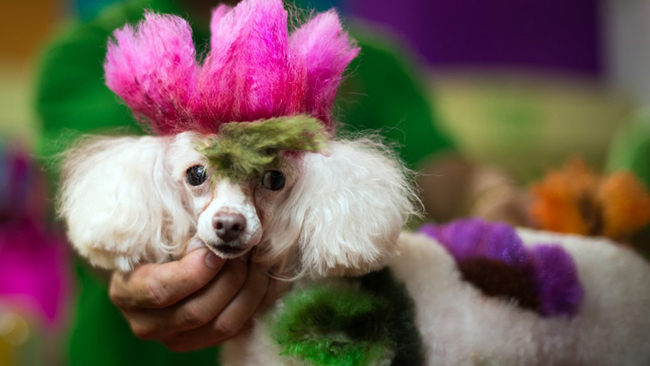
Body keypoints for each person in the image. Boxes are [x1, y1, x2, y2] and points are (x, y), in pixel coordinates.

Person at [35, 0, 456, 364]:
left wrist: (489, 192)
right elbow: (83, 188)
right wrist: (124, 270)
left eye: (273, 179)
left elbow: (443, 166)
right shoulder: (84, 52)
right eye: (197, 175)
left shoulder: (373, 60)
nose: (230, 217)